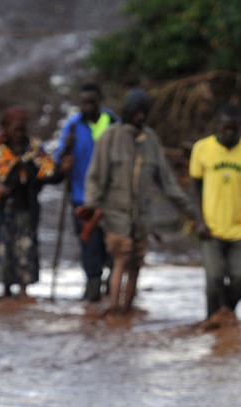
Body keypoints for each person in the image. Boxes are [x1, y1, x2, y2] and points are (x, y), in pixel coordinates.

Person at [80, 88, 207, 315]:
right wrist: (91, 204)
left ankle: (126, 310)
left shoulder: (151, 140)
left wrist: (192, 213)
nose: (139, 116)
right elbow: (95, 176)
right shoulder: (110, 137)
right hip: (116, 214)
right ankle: (115, 310)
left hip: (141, 216)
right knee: (121, 258)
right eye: (136, 112)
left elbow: (168, 183)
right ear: (128, 111)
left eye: (143, 112)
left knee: (136, 264)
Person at [189, 105, 241, 321]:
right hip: (211, 229)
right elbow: (195, 189)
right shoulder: (201, 148)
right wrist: (199, 221)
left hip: (240, 228)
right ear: (217, 126)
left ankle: (225, 313)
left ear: (240, 128)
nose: (229, 133)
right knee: (214, 278)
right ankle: (215, 324)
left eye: (233, 129)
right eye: (225, 128)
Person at [0, 106, 62, 298]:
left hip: (26, 207)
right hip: (2, 210)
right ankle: (6, 289)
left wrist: (61, 169)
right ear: (6, 128)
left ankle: (24, 290)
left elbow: (50, 173)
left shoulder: (34, 150)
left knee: (25, 247)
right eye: (15, 129)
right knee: (3, 248)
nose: (19, 133)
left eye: (22, 129)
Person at [55, 83, 118, 302]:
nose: (87, 106)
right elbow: (59, 162)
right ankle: (93, 285)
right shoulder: (72, 127)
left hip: (111, 198)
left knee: (113, 243)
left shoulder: (112, 122)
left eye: (92, 102)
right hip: (81, 197)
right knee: (88, 243)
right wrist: (66, 150)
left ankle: (112, 283)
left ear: (99, 101)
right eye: (84, 102)